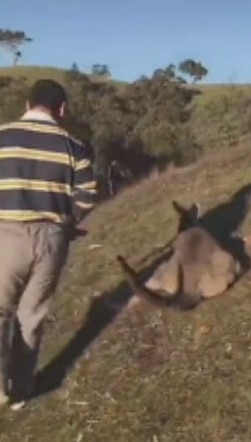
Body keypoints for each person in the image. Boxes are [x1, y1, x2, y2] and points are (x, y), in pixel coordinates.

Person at [0, 79, 97, 409]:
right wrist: (66, 223)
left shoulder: (3, 135)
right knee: (32, 315)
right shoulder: (74, 146)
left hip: (5, 235)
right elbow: (87, 196)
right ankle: (20, 391)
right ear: (62, 110)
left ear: (26, 106)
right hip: (53, 240)